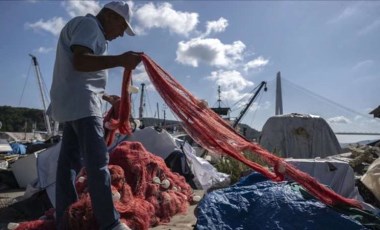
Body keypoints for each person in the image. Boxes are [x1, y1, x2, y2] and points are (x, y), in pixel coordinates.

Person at [47, 1, 141, 229]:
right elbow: (80, 61)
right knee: (98, 162)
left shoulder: (89, 29)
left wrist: (106, 97)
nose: (120, 35)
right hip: (82, 105)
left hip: (72, 104)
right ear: (109, 16)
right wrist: (120, 60)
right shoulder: (89, 26)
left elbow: (80, 73)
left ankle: (65, 220)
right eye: (121, 27)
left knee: (68, 165)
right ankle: (110, 223)